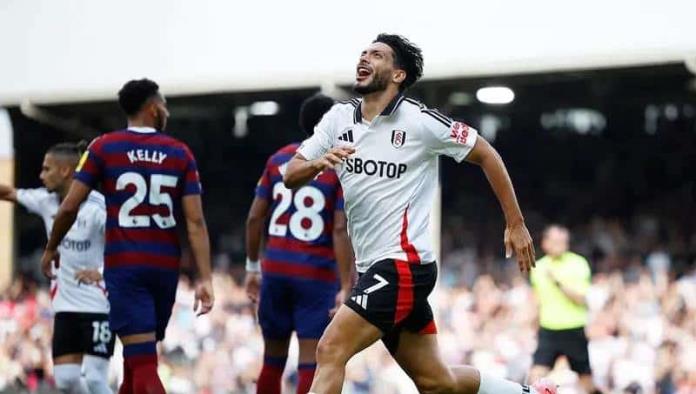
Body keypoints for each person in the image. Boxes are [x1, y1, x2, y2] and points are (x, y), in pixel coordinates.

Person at [284, 33, 555, 394]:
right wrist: (320, 162)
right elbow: (291, 174)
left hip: (402, 267)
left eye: (377, 55)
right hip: (375, 269)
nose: (364, 58)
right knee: (435, 382)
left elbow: (487, 153)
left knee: (330, 349)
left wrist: (516, 223)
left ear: (398, 75)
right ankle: (528, 393)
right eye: (363, 53)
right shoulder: (337, 119)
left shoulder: (420, 121)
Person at [41, 79, 215, 394]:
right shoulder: (180, 152)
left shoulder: (103, 147)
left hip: (126, 267)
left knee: (144, 365)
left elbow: (68, 208)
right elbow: (196, 221)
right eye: (164, 106)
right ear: (153, 108)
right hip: (164, 269)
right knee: (136, 363)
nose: (167, 112)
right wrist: (204, 277)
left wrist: (52, 247)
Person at [244, 93, 354, 394]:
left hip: (276, 269)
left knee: (272, 361)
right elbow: (340, 228)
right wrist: (347, 284)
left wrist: (253, 267)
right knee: (311, 362)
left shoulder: (279, 160)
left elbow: (255, 218)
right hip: (315, 275)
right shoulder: (338, 165)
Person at [1, 142, 114, 394]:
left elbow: (126, 244)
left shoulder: (99, 208)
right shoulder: (45, 201)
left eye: (46, 169)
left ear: (65, 171)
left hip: (98, 306)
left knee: (96, 380)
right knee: (66, 381)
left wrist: (104, 270)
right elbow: (9, 193)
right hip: (65, 308)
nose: (41, 176)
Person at [529, 225, 598, 393]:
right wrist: (534, 326)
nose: (560, 244)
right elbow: (538, 301)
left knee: (586, 382)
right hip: (548, 330)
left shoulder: (578, 263)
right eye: (555, 241)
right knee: (535, 378)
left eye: (562, 241)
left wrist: (558, 282)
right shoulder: (537, 267)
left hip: (573, 329)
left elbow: (581, 298)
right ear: (545, 243)